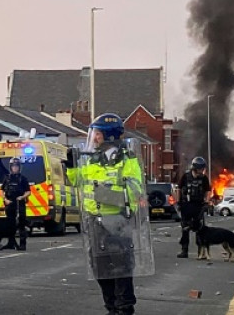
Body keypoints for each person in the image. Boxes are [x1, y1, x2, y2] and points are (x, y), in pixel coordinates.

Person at [65, 113, 145, 315]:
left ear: (109, 136)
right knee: (99, 266)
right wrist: (72, 167)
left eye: (98, 133)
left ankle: (124, 307)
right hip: (94, 220)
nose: (95, 137)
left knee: (121, 267)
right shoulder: (93, 159)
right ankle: (111, 306)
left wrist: (106, 194)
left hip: (118, 221)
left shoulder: (127, 159)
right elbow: (78, 182)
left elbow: (135, 190)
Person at [177, 156, 211, 258]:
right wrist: (178, 202)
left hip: (198, 206)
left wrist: (207, 202)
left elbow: (208, 190)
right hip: (186, 205)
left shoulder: (204, 178)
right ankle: (184, 250)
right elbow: (178, 189)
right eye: (200, 169)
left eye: (203, 169)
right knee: (185, 228)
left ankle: (201, 252)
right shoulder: (186, 177)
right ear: (195, 168)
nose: (202, 171)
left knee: (200, 229)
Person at [0, 157, 31, 251]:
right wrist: (5, 199)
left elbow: (28, 191)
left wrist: (22, 197)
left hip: (19, 203)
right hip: (10, 203)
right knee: (10, 224)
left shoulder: (23, 179)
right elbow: (1, 190)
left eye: (16, 166)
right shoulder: (7, 178)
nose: (15, 168)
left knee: (21, 224)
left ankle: (22, 244)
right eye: (13, 166)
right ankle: (11, 243)